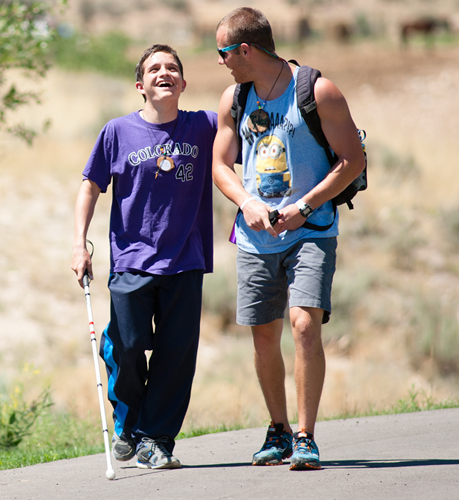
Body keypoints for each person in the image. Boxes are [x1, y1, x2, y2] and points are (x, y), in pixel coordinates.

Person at [211, 7, 365, 470]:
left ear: (244, 50)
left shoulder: (318, 91)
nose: (220, 61)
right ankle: (277, 429)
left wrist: (306, 206)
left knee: (303, 325)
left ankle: (305, 435)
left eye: (223, 52)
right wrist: (247, 203)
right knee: (263, 335)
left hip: (311, 231)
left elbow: (352, 160)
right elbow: (221, 165)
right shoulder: (234, 98)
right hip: (255, 238)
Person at [71, 44, 217, 470]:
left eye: (172, 68)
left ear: (184, 83)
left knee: (176, 355)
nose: (163, 73)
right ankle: (129, 421)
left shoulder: (204, 126)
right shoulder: (117, 132)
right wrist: (79, 243)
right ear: (140, 85)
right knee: (128, 344)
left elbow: (246, 126)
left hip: (186, 260)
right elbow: (90, 186)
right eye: (154, 68)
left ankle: (155, 439)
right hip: (131, 260)